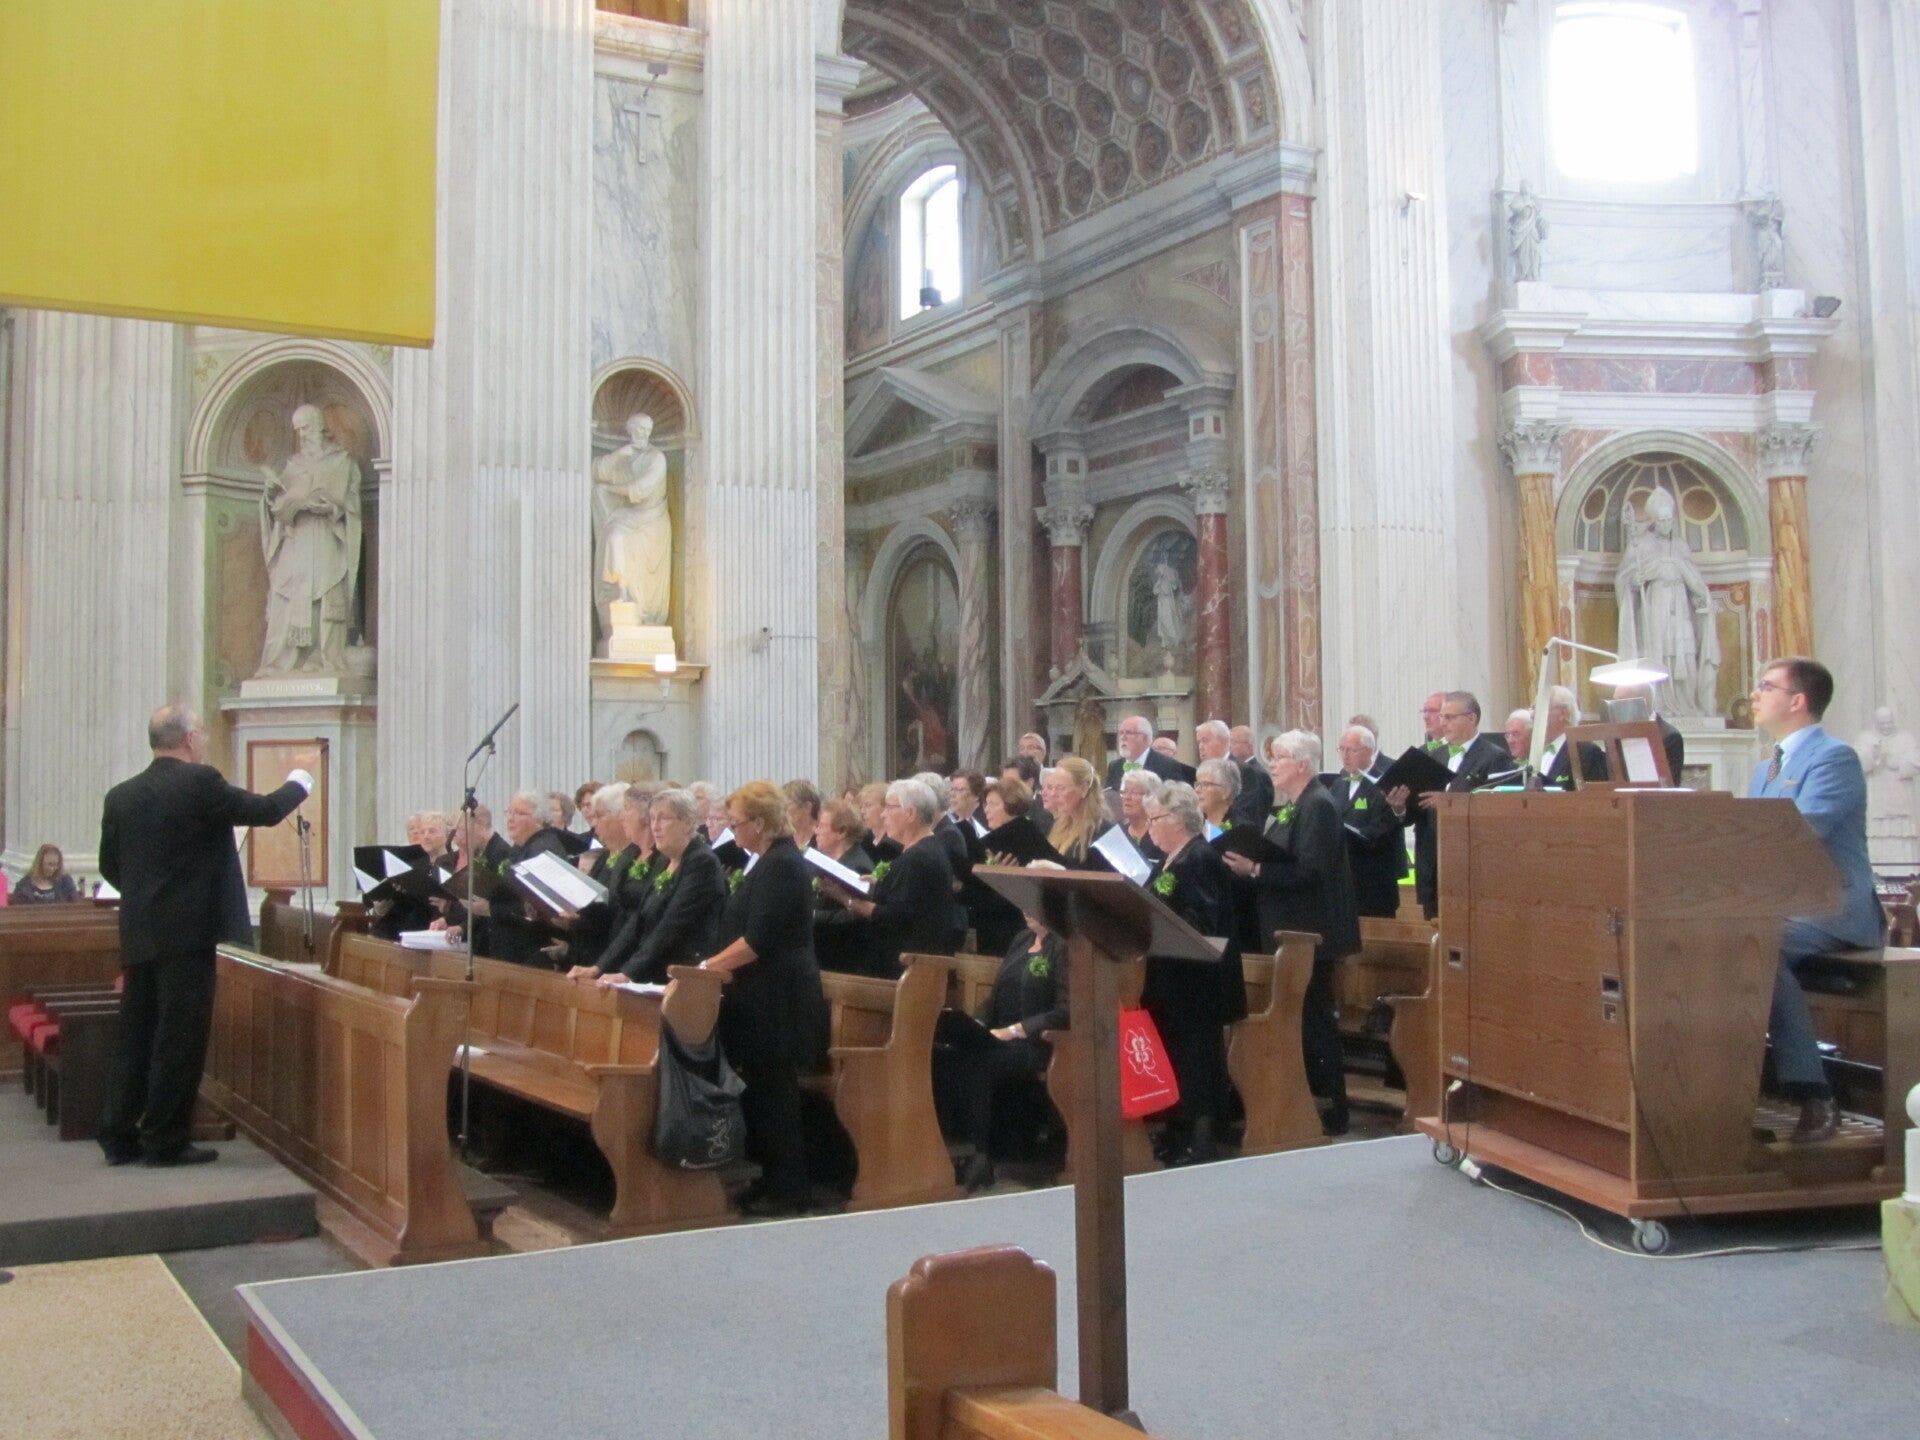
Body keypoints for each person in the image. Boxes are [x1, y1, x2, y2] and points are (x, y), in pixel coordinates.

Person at [97, 704, 313, 1166]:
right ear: (191, 738)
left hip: (139, 934)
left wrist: (148, 897)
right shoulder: (199, 783)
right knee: (179, 1039)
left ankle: (118, 1134)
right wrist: (300, 782)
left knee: (136, 1035)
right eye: (202, 734)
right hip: (188, 936)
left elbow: (110, 867)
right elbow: (265, 811)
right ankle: (164, 1140)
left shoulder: (121, 796)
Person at [1749, 657, 1884, 1142]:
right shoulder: (1765, 768)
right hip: (1782, 909)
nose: (1755, 694)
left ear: (1798, 701)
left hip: (1835, 909)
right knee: (1717, 942)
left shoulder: (1834, 758)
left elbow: (1801, 834)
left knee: (1758, 948)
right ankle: (1728, 1091)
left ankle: (1814, 1094)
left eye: (1767, 686)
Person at [698, 781, 829, 1216]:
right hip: (759, 997)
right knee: (761, 1093)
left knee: (777, 1098)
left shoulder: (783, 865)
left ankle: (790, 1191)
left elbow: (758, 939)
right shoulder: (767, 862)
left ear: (758, 822)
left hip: (780, 1000)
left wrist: (707, 967)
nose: (733, 831)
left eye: (736, 823)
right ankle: (769, 1180)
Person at [1223, 731, 1360, 1135]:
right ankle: (1308, 1099)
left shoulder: (1318, 805)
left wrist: (1255, 869)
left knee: (1315, 1020)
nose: (1273, 764)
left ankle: (1332, 1106)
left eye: (1280, 757)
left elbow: (1311, 870)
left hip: (1311, 932)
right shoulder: (1294, 805)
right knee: (1302, 1020)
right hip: (1289, 928)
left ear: (1303, 764)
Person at [1142, 782, 1246, 1163]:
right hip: (1169, 977)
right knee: (1175, 1056)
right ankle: (1175, 1131)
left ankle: (1200, 1137)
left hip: (1197, 981)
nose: (1149, 827)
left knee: (1196, 1058)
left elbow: (1201, 920)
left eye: (1154, 818)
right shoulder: (1169, 859)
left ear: (1176, 819)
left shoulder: (1199, 857)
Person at [932, 913, 1068, 1191]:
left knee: (978, 1063)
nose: (1026, 911)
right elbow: (995, 997)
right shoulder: (1021, 940)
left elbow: (1067, 1010)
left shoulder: (1063, 946)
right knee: (945, 1056)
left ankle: (980, 1154)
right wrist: (976, 1024)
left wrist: (1016, 1030)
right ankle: (949, 1149)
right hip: (999, 1036)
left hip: (1037, 1043)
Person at [1384, 691, 1510, 919]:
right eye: (1442, 717)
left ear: (1471, 718)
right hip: (1431, 861)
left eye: (1450, 717)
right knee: (1434, 925)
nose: (1443, 723)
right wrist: (1400, 806)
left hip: (1468, 861)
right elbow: (1418, 809)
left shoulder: (1494, 757)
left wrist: (1450, 803)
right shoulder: (1434, 756)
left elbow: (1496, 812)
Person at [257, 404, 361, 676]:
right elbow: (278, 506)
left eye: (305, 428)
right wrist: (272, 496)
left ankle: (323, 658)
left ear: (319, 426)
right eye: (298, 430)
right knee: (285, 595)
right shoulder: (293, 466)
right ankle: (283, 661)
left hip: (326, 536)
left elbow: (352, 504)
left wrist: (330, 506)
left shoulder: (341, 462)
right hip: (295, 538)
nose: (302, 435)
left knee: (327, 596)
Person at [820, 779, 965, 974]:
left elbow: (891, 917)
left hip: (907, 967)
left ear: (910, 813)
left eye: (889, 808)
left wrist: (846, 898)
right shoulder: (926, 849)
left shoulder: (918, 857)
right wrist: (880, 883)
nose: (883, 814)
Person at [596, 789, 723, 985]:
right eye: (653, 818)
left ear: (688, 822)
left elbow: (671, 924)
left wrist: (628, 973)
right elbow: (638, 921)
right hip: (655, 970)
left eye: (663, 819)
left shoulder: (701, 862)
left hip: (683, 974)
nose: (655, 826)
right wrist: (599, 967)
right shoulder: (664, 860)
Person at [485, 791, 574, 967]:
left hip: (531, 950)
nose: (510, 819)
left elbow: (540, 905)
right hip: (513, 946)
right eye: (509, 812)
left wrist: (491, 908)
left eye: (518, 813)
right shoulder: (522, 847)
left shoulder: (543, 848)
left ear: (538, 819)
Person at [1331, 725, 1407, 919]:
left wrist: (1356, 835)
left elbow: (1388, 824)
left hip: (1374, 879)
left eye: (1352, 750)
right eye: (1342, 749)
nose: (1345, 756)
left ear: (1369, 751)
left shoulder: (1387, 781)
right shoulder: (1338, 783)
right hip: (1345, 877)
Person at [811, 798, 878, 976]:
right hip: (823, 954)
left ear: (841, 832)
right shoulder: (829, 860)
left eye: (821, 826)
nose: (816, 831)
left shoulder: (858, 866)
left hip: (844, 960)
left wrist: (814, 915)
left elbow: (857, 916)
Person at [1198, 719, 1272, 828]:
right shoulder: (1203, 771)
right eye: (1199, 742)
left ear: (1223, 741)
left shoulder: (1242, 771)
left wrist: (1215, 833)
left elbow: (1243, 815)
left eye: (1205, 741)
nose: (1200, 746)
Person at [1040, 757, 1112, 868]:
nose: (1053, 794)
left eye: (1061, 788)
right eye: (1052, 787)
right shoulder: (1056, 825)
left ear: (1084, 789)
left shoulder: (1103, 833)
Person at [1535, 686, 1608, 790]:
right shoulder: (1537, 752)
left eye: (1540, 709)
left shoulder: (1585, 752)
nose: (1534, 715)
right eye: (1534, 709)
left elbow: (1595, 795)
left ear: (1562, 713)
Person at [1106, 714, 1191, 789]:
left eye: (1129, 733)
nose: (1123, 737)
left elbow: (1174, 798)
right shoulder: (1115, 766)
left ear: (1145, 738)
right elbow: (1109, 795)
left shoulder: (1168, 766)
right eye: (1121, 733)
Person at [1118, 769, 1165, 861]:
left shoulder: (1161, 835)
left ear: (1151, 797)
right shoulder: (1119, 833)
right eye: (1124, 792)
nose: (1127, 797)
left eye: (1134, 793)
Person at [14, 843, 80, 904]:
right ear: (39, 863)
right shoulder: (24, 886)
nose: (52, 869)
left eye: (55, 865)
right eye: (49, 864)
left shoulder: (65, 882)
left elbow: (75, 905)